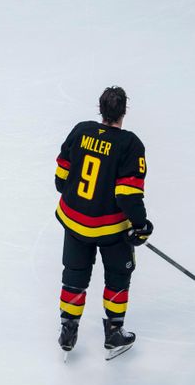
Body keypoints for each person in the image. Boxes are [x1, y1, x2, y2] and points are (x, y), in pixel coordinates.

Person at [53, 86, 153, 361]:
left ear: (101, 109)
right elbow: (127, 195)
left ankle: (68, 331)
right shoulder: (130, 144)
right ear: (124, 111)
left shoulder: (81, 131)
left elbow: (61, 178)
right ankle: (113, 333)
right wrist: (141, 224)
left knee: (74, 275)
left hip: (74, 221)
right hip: (111, 230)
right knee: (118, 277)